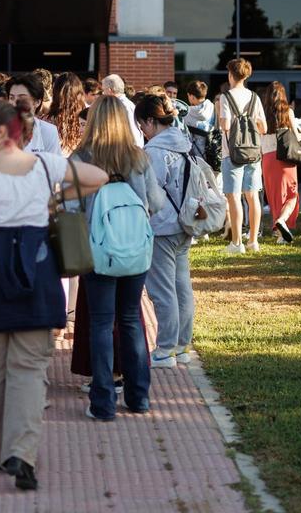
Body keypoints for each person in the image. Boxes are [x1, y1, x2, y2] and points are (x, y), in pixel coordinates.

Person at [0, 99, 106, 491]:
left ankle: (4, 452)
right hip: (37, 269)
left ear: (3, 132)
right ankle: (24, 452)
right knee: (30, 370)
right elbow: (98, 176)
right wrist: (59, 195)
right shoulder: (46, 164)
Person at [71, 96, 162, 421]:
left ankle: (103, 403)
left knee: (100, 323)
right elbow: (155, 202)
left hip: (97, 251)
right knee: (131, 320)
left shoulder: (81, 157)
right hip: (135, 250)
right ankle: (139, 397)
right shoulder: (138, 158)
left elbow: (71, 209)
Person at [134, 92, 195, 369]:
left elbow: (150, 193)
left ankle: (165, 349)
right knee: (182, 287)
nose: (142, 132)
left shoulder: (155, 151)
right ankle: (182, 345)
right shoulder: (185, 143)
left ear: (150, 121)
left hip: (161, 227)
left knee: (162, 291)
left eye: (141, 125)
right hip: (185, 223)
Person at [217, 59, 267, 254]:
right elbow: (263, 127)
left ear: (231, 74)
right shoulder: (254, 97)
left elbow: (226, 125)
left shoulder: (225, 97)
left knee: (234, 197)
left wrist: (224, 118)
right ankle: (253, 241)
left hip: (232, 153)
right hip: (253, 153)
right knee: (253, 196)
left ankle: (236, 243)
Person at [259, 82, 301, 244]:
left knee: (274, 197)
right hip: (285, 157)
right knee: (291, 195)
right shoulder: (287, 111)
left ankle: (280, 235)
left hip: (267, 158)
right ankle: (282, 221)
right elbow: (297, 137)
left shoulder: (262, 113)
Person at [7, 74, 63, 155]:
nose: (15, 103)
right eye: (11, 98)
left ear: (37, 102)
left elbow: (54, 165)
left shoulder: (48, 131)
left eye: (22, 98)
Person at [49, 71, 86, 156]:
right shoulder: (88, 120)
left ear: (55, 94)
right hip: (80, 165)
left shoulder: (44, 121)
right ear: (80, 94)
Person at [102, 74, 144, 147]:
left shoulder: (124, 107)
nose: (102, 93)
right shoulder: (123, 104)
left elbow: (133, 133)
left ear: (109, 90)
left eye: (103, 90)